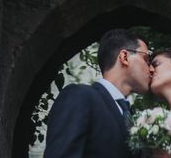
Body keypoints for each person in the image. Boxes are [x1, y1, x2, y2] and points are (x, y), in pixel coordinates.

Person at [44, 29, 152, 158]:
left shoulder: (132, 116)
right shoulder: (80, 96)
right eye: (146, 59)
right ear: (125, 57)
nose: (151, 69)